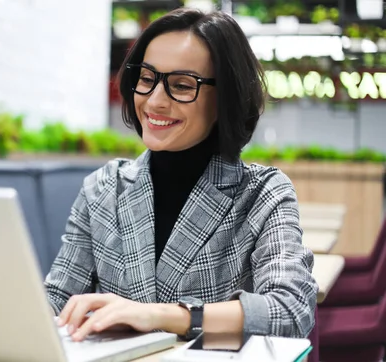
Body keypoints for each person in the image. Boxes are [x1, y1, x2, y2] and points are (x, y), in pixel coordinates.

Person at [44, 7, 318, 343]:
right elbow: (55, 300)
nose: (155, 101)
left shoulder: (263, 193)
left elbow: (290, 311)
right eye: (146, 79)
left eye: (182, 85)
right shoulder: (103, 188)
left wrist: (159, 315)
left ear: (225, 98)